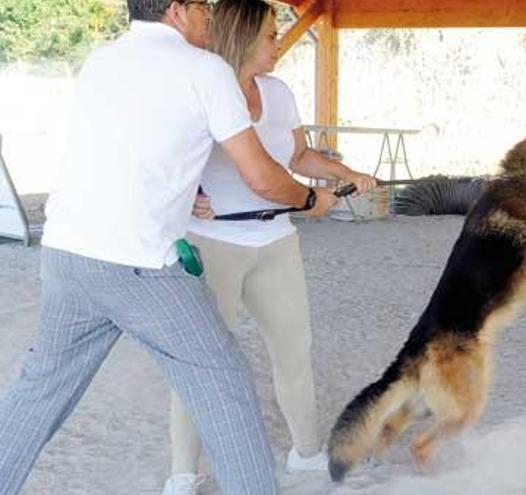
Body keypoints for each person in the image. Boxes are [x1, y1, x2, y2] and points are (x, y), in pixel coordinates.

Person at [0, 0, 340, 493]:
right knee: (225, 387)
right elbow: (264, 177)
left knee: (39, 389)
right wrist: (310, 198)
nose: (209, 17)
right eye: (202, 6)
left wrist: (188, 193)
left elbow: (136, 146)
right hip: (139, 267)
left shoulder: (103, 59)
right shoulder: (205, 70)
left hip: (65, 255)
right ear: (177, 11)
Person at [161, 1, 376, 493]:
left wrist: (349, 174)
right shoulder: (203, 88)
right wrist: (189, 194)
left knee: (294, 352)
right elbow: (168, 157)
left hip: (276, 242)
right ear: (240, 36)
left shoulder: (278, 92)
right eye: (270, 36)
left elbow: (298, 155)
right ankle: (182, 473)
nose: (278, 45)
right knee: (198, 361)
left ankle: (306, 454)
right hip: (214, 246)